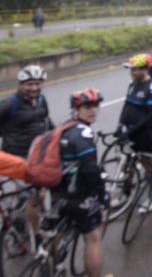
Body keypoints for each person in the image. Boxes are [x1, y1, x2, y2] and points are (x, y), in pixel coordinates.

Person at [0, 65, 53, 240]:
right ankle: (33, 231)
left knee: (37, 192)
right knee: (32, 194)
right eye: (29, 84)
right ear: (20, 84)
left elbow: (46, 121)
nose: (34, 88)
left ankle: (21, 218)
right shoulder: (10, 103)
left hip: (38, 155)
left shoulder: (41, 99)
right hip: (17, 156)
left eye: (38, 84)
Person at [60, 88, 107, 277]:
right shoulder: (84, 134)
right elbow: (90, 170)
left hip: (55, 192)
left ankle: (55, 266)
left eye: (96, 105)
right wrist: (102, 194)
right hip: (77, 195)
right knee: (93, 238)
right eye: (87, 106)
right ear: (76, 109)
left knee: (58, 232)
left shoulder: (64, 127)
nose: (93, 110)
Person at [117, 54, 152, 188]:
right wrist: (120, 125)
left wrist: (132, 130)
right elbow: (126, 105)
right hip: (130, 129)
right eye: (131, 70)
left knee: (146, 163)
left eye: (135, 69)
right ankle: (127, 188)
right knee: (129, 160)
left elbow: (149, 115)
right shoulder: (132, 84)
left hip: (144, 132)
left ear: (145, 69)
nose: (132, 72)